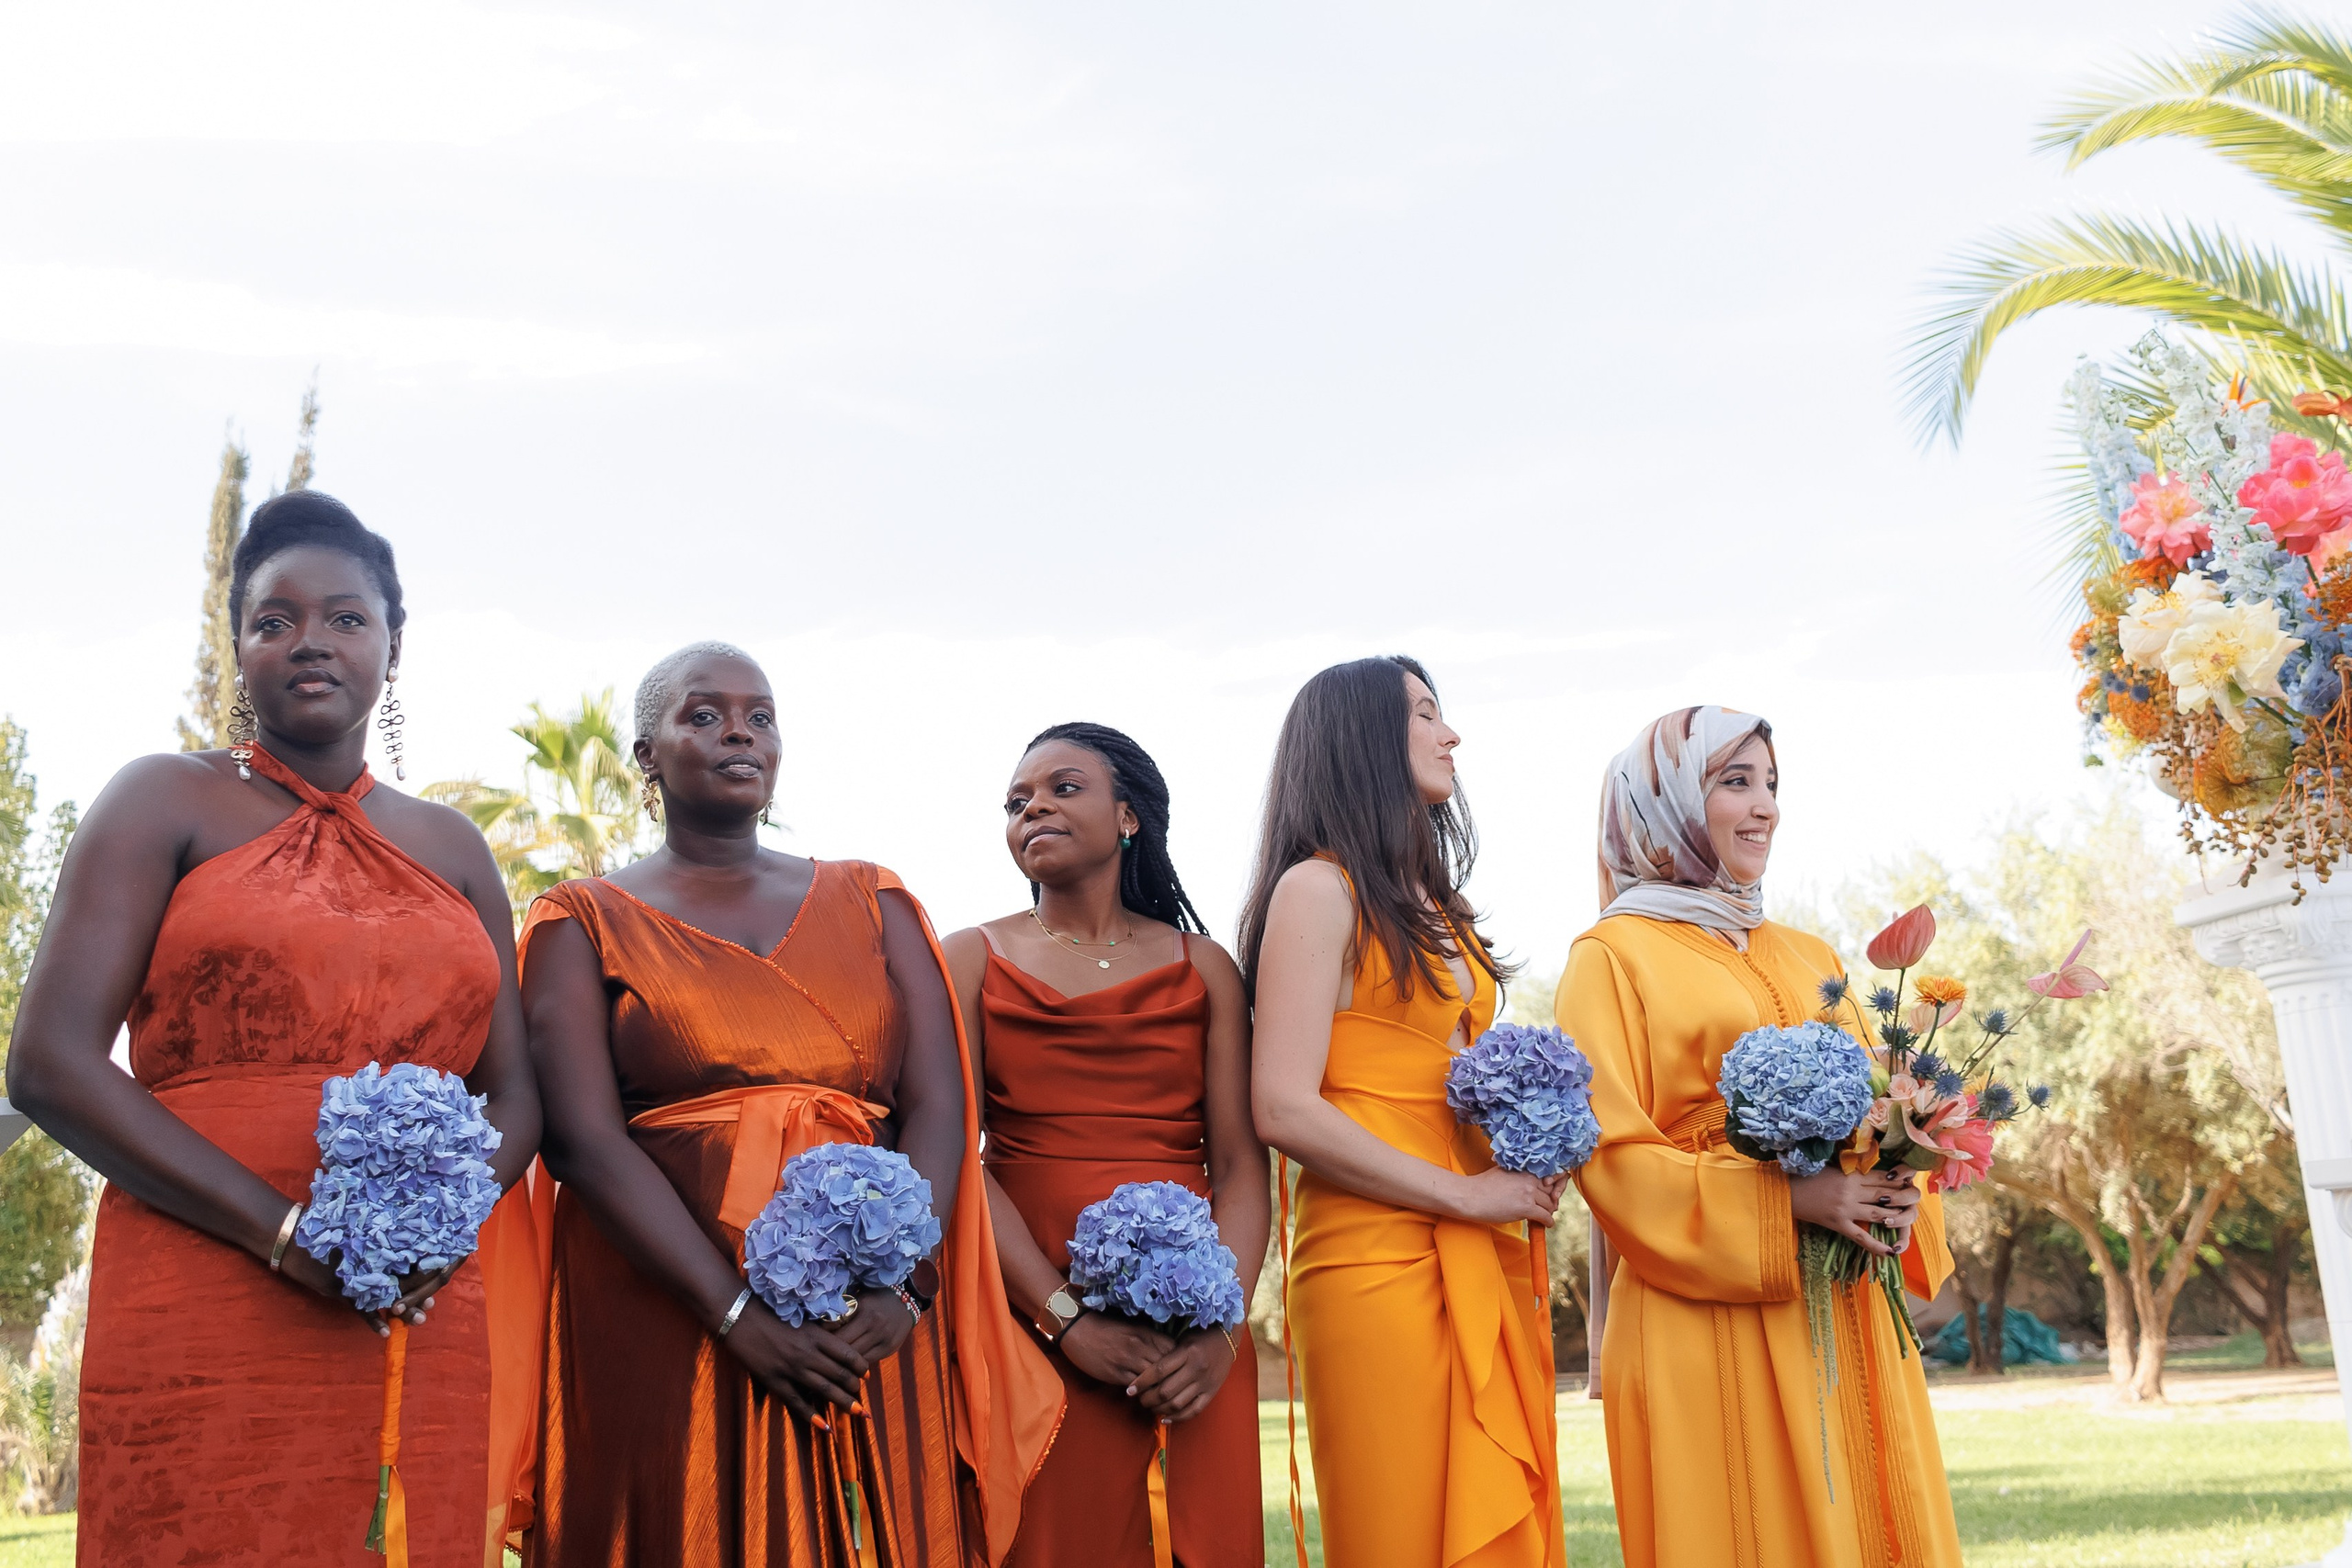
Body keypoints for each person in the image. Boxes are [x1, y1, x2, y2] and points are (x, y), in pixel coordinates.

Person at [6, 491, 543, 1567]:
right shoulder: (162, 801)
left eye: (347, 618)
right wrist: (286, 1234)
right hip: (204, 1268)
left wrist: (431, 1235)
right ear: (239, 647)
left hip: (416, 1296)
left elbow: (517, 1095)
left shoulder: (455, 849)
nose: (311, 642)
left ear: (394, 644)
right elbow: (50, 1062)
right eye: (275, 620)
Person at [518, 641, 1060, 1567]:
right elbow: (580, 1139)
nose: (739, 731)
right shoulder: (581, 918)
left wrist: (903, 1288)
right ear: (646, 755)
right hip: (663, 1302)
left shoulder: (874, 897)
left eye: (759, 716)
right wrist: (732, 1312)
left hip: (870, 1313)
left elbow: (938, 1106)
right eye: (703, 714)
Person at [1559, 705, 1962, 1568]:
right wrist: (1794, 1198)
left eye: (1772, 784)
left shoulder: (1805, 950)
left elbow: (1885, 1101)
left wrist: (1902, 1169)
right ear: (1662, 802)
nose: (1766, 805)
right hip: (1701, 1312)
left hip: (1842, 1305)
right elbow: (1612, 1154)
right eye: (1734, 781)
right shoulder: (1611, 958)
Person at [1244, 656, 1565, 1568]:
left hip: (1478, 1233)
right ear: (1362, 739)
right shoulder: (1316, 889)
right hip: (1374, 1259)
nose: (1449, 734)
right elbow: (1282, 1105)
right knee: (1399, 1527)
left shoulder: (1444, 910)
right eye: (1426, 714)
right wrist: (1461, 1197)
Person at [944, 723, 1269, 1568]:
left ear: (1128, 816)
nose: (1032, 807)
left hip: (1196, 1315)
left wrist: (1219, 1332)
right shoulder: (969, 958)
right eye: (1016, 801)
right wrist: (1066, 1320)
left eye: (1062, 787)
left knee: (1207, 1536)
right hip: (1030, 1305)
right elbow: (951, 1160)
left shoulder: (1205, 967)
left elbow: (1238, 1164)